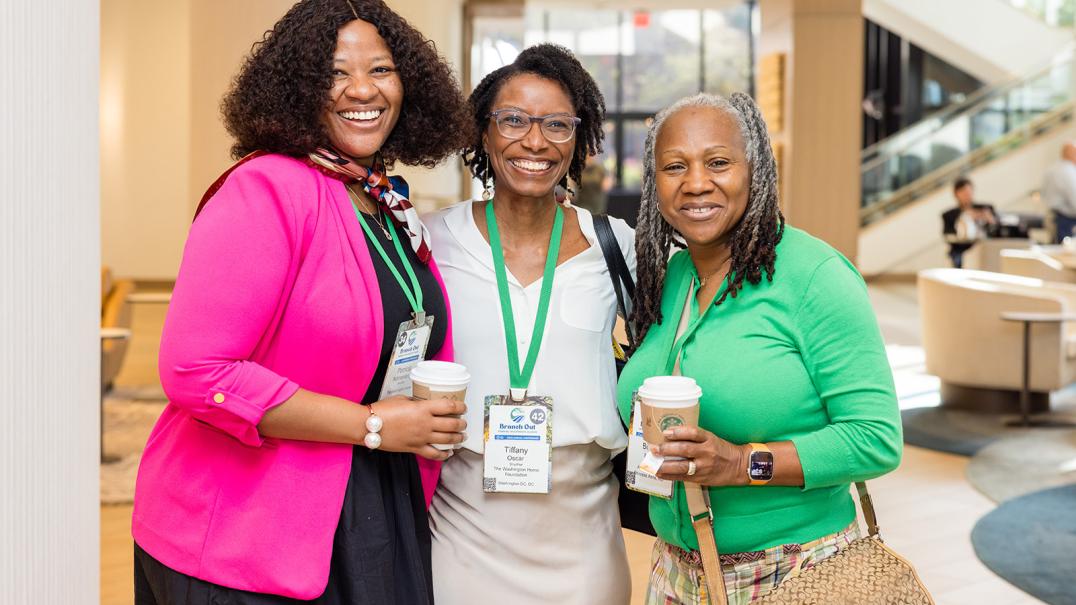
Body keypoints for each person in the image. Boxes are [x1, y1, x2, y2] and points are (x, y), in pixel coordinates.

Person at [131, 1, 471, 602]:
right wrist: (370, 425)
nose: (361, 89)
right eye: (335, 72)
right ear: (297, 88)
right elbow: (195, 372)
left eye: (381, 69)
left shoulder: (380, 199)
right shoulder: (266, 188)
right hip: (243, 537)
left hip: (367, 503)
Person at [619, 92, 902, 605]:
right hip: (677, 569)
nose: (696, 182)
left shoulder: (815, 276)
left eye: (719, 162)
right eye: (674, 166)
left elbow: (876, 438)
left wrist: (742, 462)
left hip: (797, 571)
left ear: (756, 169)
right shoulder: (673, 275)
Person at [425, 44, 635, 604]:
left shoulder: (619, 248)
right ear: (484, 134)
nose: (535, 142)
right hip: (464, 532)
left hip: (585, 540)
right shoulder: (429, 241)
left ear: (580, 139)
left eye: (557, 125)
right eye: (514, 120)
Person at [941, 176, 996, 268]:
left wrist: (989, 220)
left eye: (968, 191)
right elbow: (948, 234)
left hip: (984, 247)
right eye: (963, 192)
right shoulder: (949, 215)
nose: (967, 195)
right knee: (960, 260)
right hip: (961, 249)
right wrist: (964, 217)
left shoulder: (985, 209)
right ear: (956, 195)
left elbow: (995, 229)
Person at [1042, 142, 1076, 243]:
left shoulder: (1051, 169)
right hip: (1065, 219)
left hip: (1054, 216)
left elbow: (1043, 193)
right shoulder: (1068, 171)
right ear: (1070, 154)